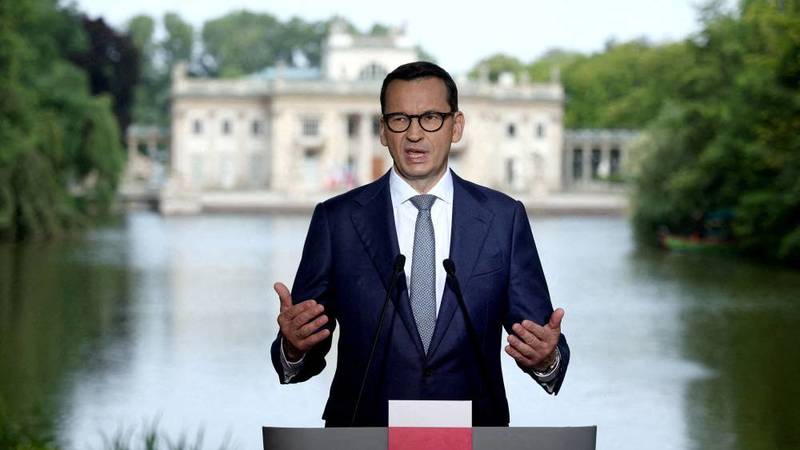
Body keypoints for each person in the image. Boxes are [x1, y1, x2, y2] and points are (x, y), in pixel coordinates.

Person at [270, 61, 569, 427]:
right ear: (383, 130)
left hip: (473, 435)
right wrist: (293, 348)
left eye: (430, 118)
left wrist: (546, 359)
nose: (414, 133)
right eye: (400, 119)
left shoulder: (504, 219)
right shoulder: (336, 220)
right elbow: (304, 349)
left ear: (456, 126)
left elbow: (540, 339)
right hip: (363, 434)